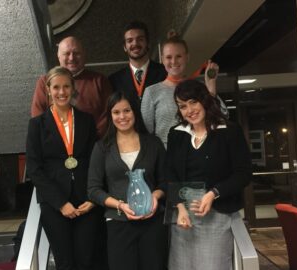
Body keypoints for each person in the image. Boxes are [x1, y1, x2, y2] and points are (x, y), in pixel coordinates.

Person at [165, 79, 252, 270]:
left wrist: (213, 193)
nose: (189, 110)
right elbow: (170, 173)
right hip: (184, 218)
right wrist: (180, 208)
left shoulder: (229, 131)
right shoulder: (177, 134)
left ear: (205, 100)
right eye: (182, 106)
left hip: (218, 216)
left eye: (193, 102)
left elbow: (244, 173)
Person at [26, 66, 102, 270]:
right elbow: (34, 169)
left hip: (86, 202)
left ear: (73, 88)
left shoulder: (86, 120)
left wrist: (93, 198)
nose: (62, 92)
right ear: (48, 90)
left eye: (66, 86)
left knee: (87, 260)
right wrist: (61, 204)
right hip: (54, 204)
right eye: (56, 87)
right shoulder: (37, 125)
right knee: (65, 262)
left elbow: (95, 161)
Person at [88, 91, 167, 270]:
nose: (122, 116)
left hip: (153, 222)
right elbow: (93, 190)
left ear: (135, 112)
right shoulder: (102, 147)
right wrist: (121, 206)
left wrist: (155, 196)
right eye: (116, 112)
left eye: (127, 111)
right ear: (110, 115)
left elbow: (165, 181)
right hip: (118, 223)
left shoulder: (153, 143)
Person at [140, 36, 221, 148]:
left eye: (179, 56)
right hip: (166, 155)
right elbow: (148, 132)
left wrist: (210, 85)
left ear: (187, 57)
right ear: (162, 59)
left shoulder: (199, 87)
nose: (173, 61)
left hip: (198, 151)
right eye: (168, 57)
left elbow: (220, 116)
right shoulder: (151, 92)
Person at [31, 36, 112, 137]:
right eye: (67, 53)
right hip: (55, 147)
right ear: (58, 56)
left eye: (76, 53)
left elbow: (108, 115)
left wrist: (89, 139)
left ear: (84, 55)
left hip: (93, 146)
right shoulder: (45, 82)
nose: (71, 58)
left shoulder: (100, 81)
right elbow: (38, 117)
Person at [109, 21, 167, 102]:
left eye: (140, 39)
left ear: (148, 43)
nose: (135, 43)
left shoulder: (164, 72)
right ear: (125, 47)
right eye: (129, 41)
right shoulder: (114, 80)